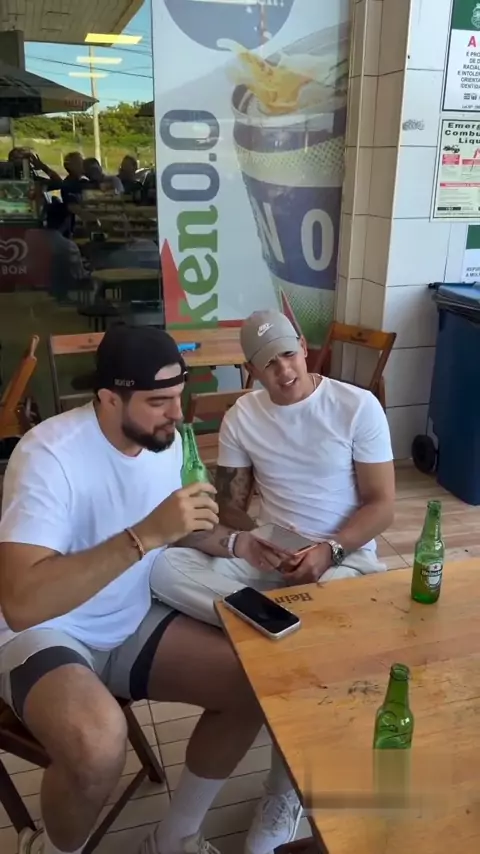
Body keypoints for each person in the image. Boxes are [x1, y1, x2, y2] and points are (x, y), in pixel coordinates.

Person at [0, 325, 297, 854]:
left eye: (178, 396)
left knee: (253, 684)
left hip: (128, 620)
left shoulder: (164, 443)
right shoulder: (47, 454)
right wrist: (144, 536)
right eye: (158, 401)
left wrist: (237, 544)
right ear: (109, 398)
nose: (176, 414)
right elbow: (22, 603)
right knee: (97, 743)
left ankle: (175, 838)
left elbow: (182, 527)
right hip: (45, 632)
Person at [150, 309, 395, 847]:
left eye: (287, 354)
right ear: (251, 370)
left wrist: (329, 549)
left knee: (325, 614)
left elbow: (382, 506)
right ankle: (284, 629)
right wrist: (257, 540)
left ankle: (284, 791)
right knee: (164, 566)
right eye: (267, 364)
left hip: (344, 558)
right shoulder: (243, 415)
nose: (283, 370)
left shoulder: (356, 406)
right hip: (274, 552)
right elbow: (231, 507)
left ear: (303, 346)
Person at [43, 201, 91, 303]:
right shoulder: (68, 245)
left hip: (45, 285)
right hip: (69, 282)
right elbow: (79, 273)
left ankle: (58, 294)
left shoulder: (34, 236)